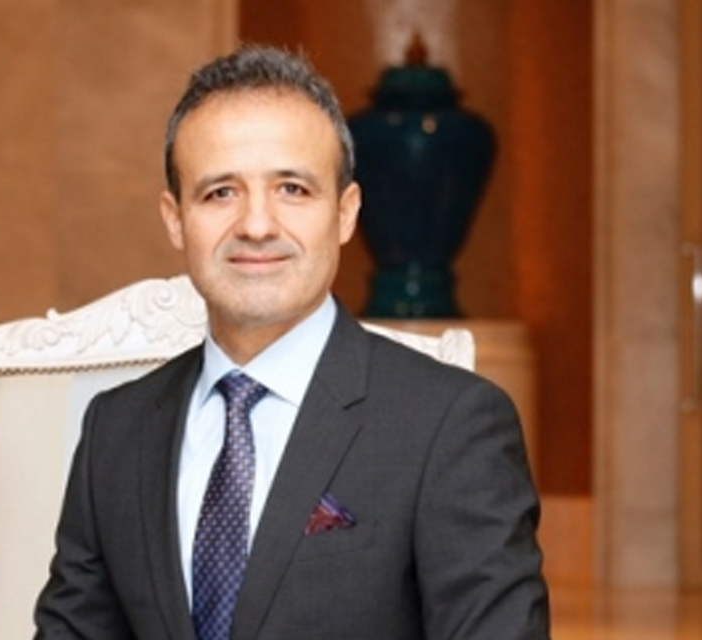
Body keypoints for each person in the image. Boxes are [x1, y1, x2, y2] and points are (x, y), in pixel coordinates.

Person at [34, 45, 549, 639]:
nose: (256, 225)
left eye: (293, 189)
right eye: (220, 192)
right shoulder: (116, 430)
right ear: (176, 219)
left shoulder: (451, 425)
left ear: (346, 213)